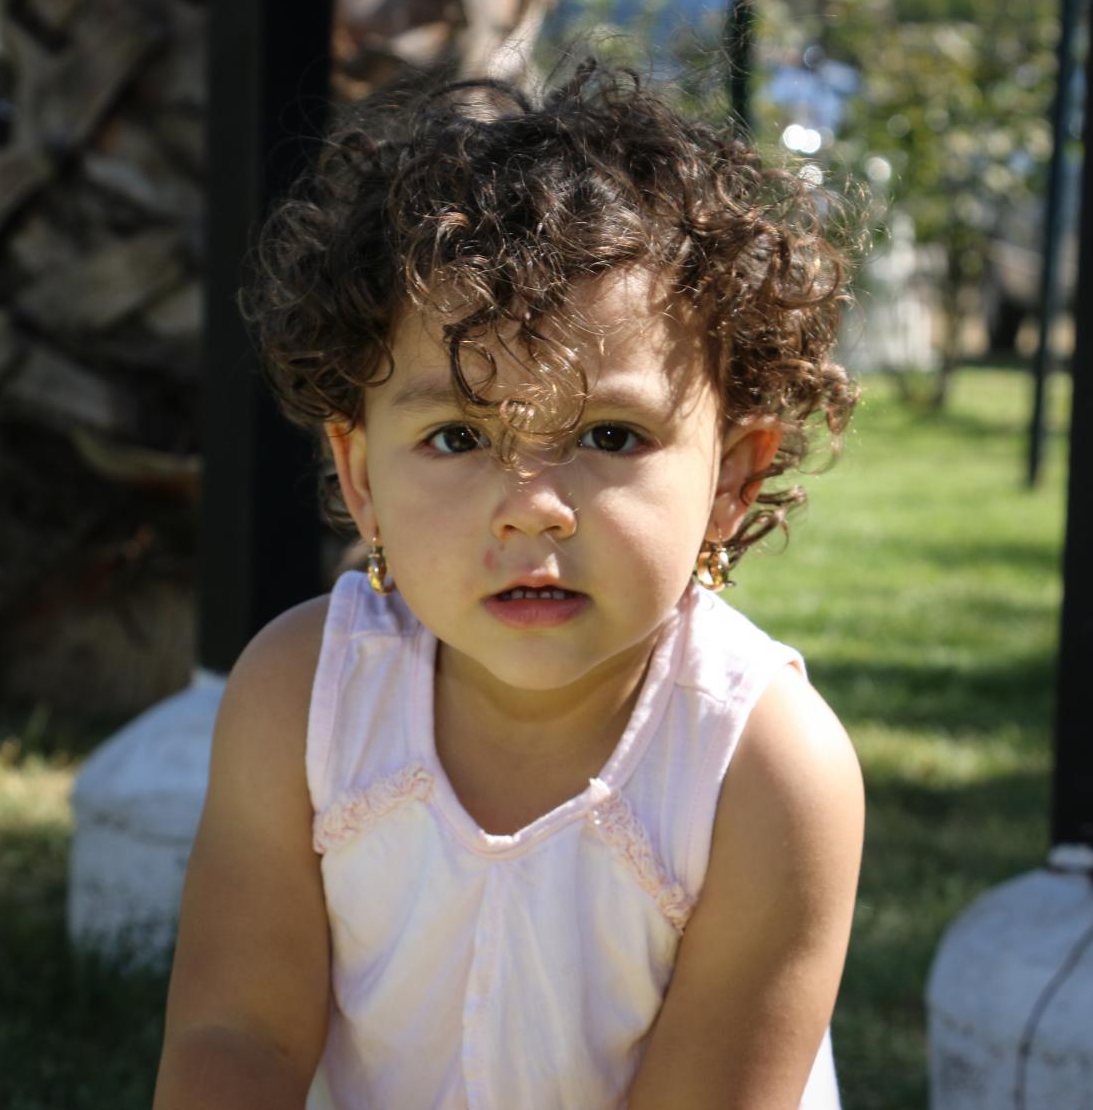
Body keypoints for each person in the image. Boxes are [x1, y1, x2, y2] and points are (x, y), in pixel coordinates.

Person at [153, 63, 865, 1110]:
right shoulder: (303, 698)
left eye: (608, 436)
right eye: (458, 437)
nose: (532, 508)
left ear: (731, 478)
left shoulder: (762, 769)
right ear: (361, 478)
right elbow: (238, 1035)